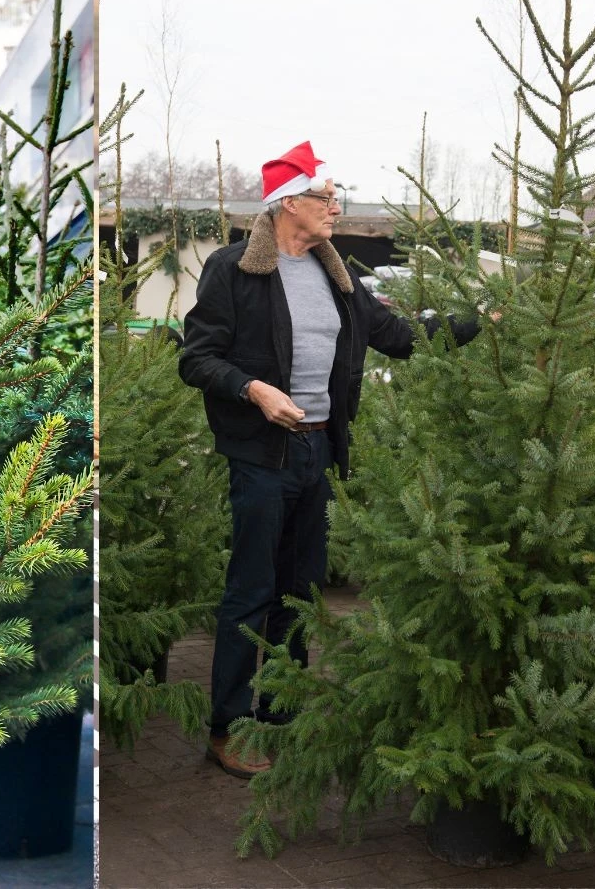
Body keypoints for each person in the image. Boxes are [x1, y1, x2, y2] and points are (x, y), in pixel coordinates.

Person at [179, 140, 483, 778]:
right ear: (289, 204)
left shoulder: (336, 277)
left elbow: (398, 337)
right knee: (252, 589)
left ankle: (284, 712)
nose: (336, 208)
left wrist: (478, 320)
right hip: (263, 453)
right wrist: (256, 391)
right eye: (327, 196)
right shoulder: (235, 270)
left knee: (301, 589)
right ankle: (229, 726)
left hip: (319, 449)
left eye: (335, 198)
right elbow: (197, 358)